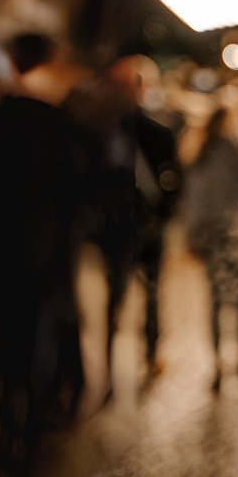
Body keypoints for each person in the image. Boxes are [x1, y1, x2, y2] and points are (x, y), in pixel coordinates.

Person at [0, 33, 89, 469]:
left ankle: (2, 420)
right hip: (43, 252)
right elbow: (75, 191)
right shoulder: (56, 122)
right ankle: (31, 422)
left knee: (0, 335)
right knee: (36, 336)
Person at [100, 52, 182, 374]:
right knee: (132, 293)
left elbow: (174, 181)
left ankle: (138, 352)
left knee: (134, 293)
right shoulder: (147, 131)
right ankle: (135, 354)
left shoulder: (112, 130)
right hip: (131, 223)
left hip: (133, 223)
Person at [180, 104, 238, 391]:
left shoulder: (203, 153)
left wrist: (192, 237)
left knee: (217, 301)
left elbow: (195, 201)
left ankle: (219, 365)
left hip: (215, 239)